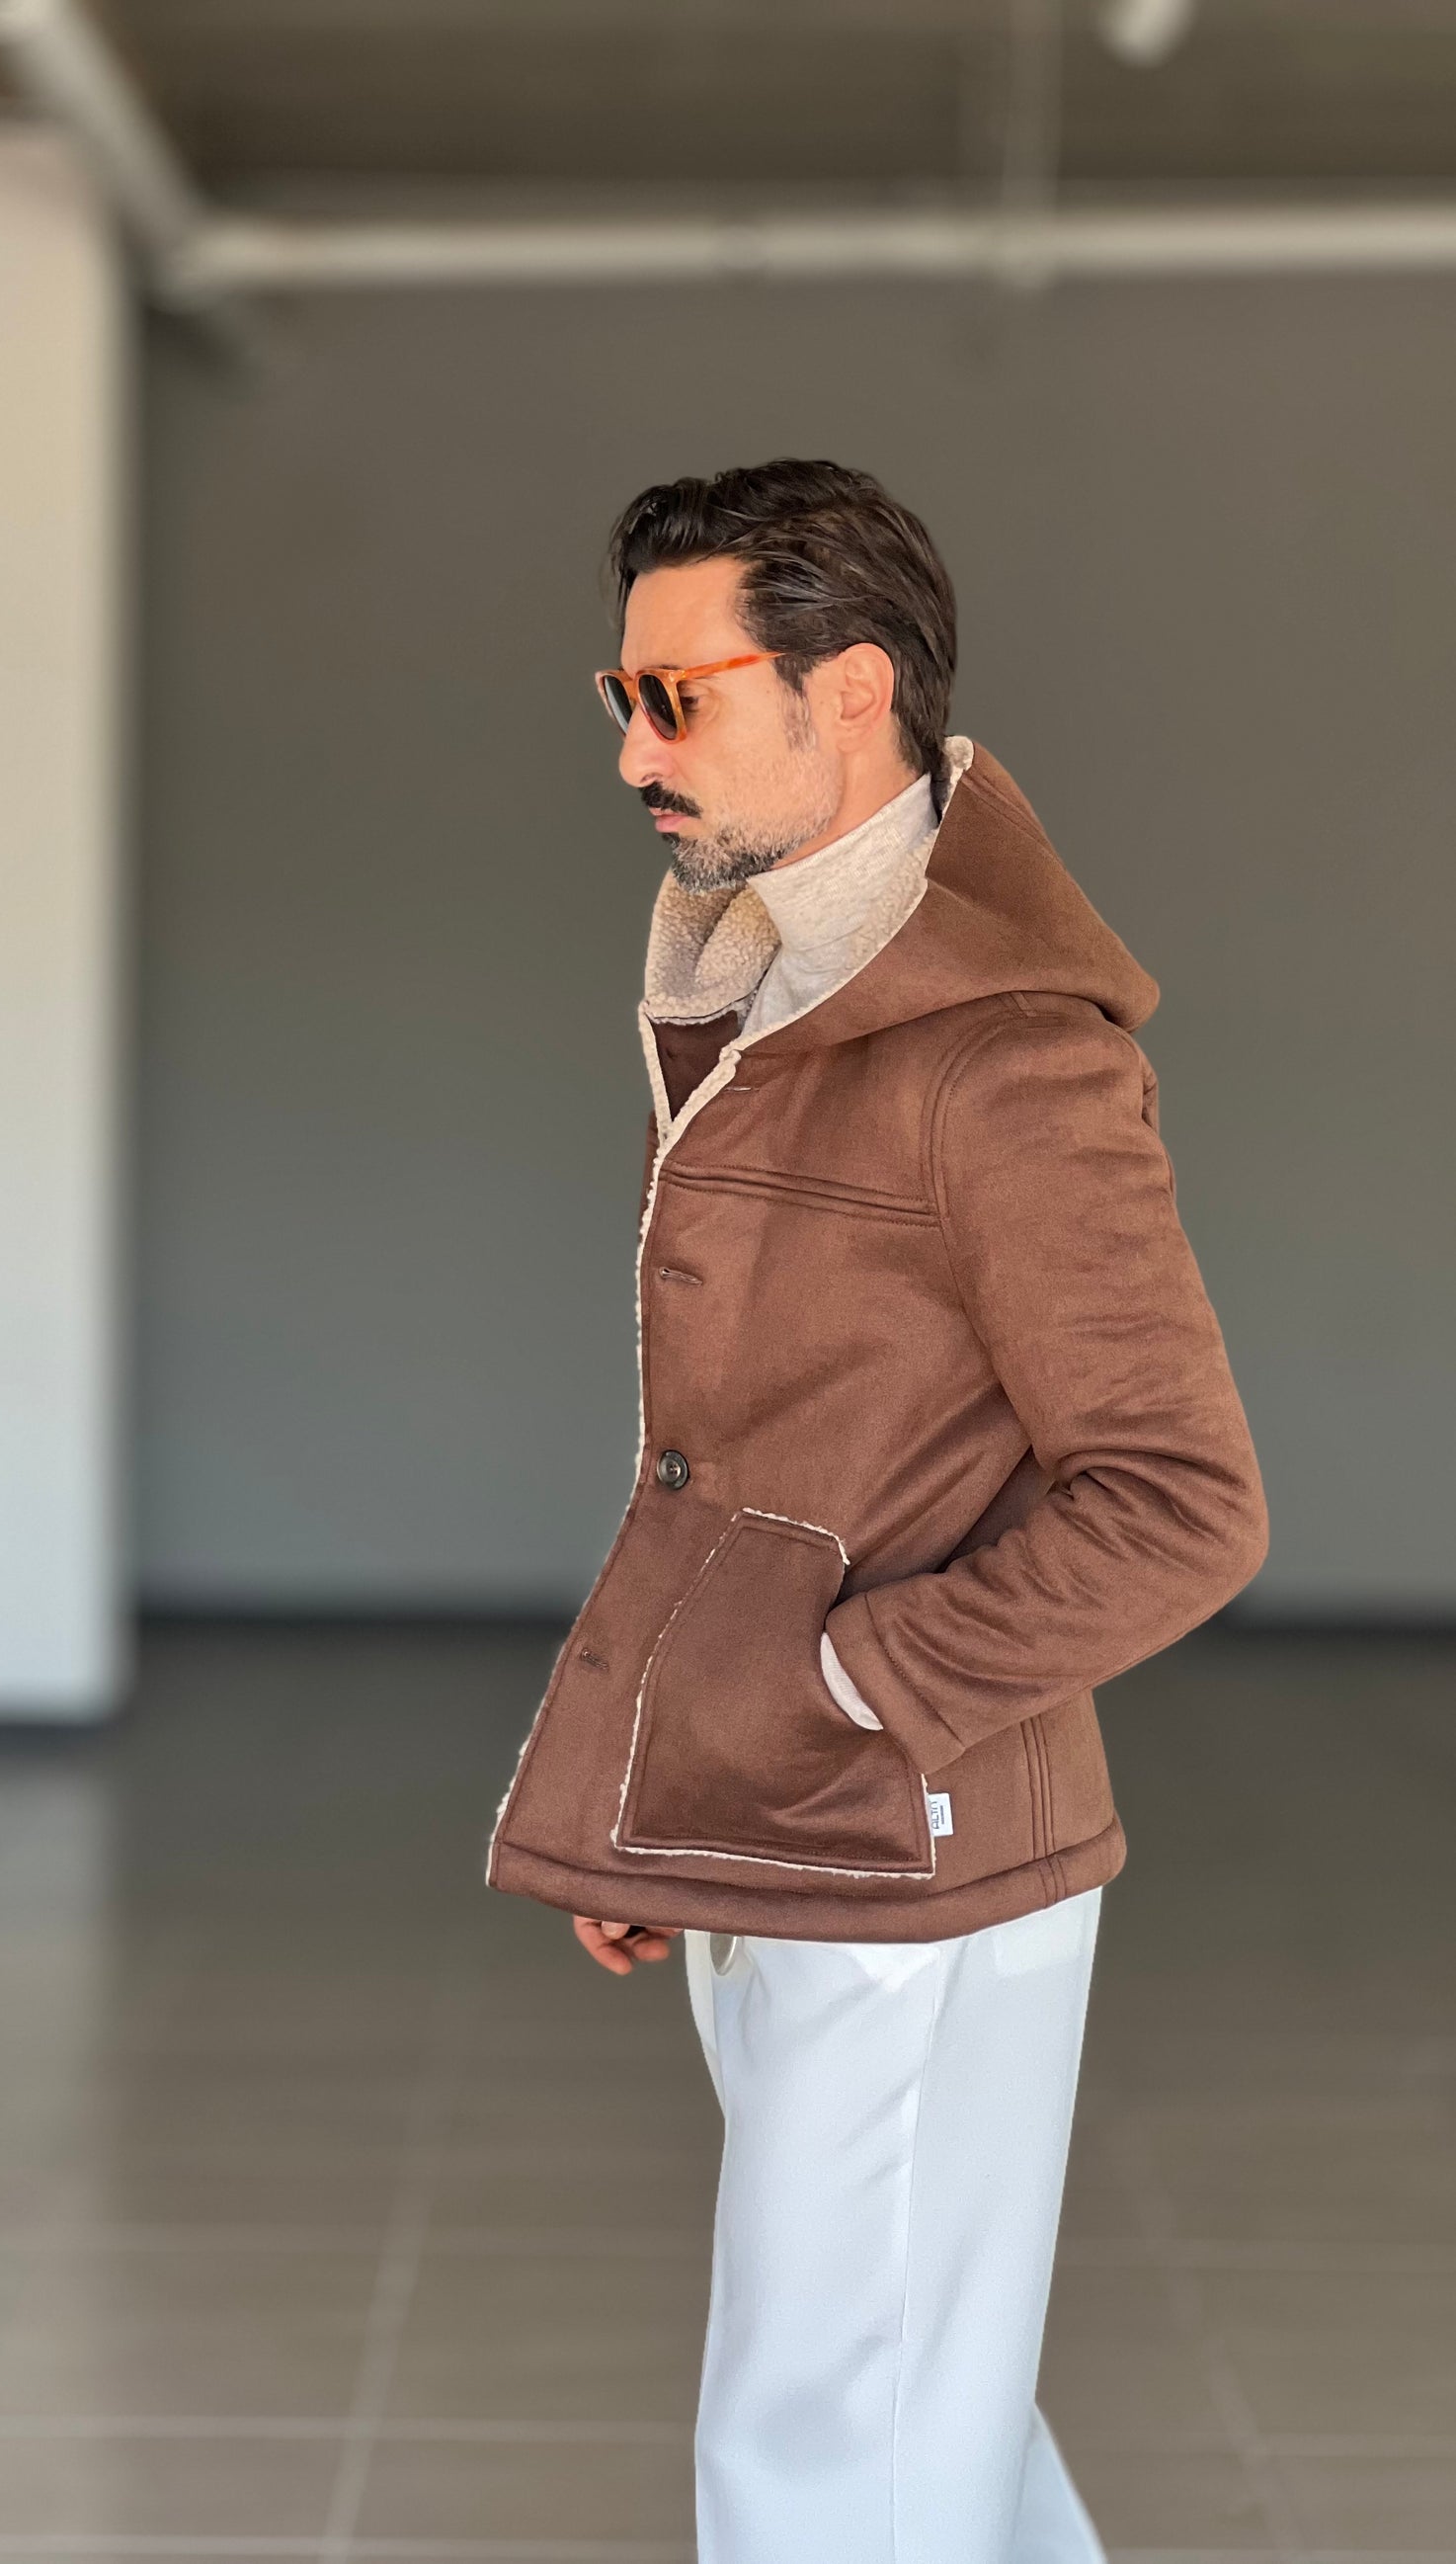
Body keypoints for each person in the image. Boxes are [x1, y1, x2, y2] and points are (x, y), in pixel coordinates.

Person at [487, 458, 1267, 2564]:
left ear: (848, 687)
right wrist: (673, 1777)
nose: (632, 750)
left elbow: (1181, 1501)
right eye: (621, 695)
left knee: (834, 2443)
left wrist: (828, 1693)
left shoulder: (1000, 1061)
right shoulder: (766, 993)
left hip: (910, 1848)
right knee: (919, 2408)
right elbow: (753, 1462)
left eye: (677, 695)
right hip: (792, 1822)